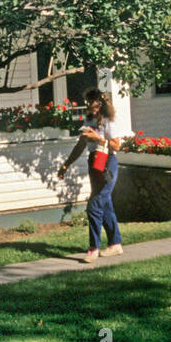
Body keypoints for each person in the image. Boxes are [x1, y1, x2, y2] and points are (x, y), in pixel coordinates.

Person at [57, 88, 123, 263]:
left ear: (100, 103)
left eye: (91, 101)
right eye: (87, 101)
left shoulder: (108, 122)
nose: (88, 104)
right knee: (105, 204)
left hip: (108, 163)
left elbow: (116, 146)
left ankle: (93, 248)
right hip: (94, 163)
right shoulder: (89, 120)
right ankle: (115, 244)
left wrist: (98, 138)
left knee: (94, 206)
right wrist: (66, 165)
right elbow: (80, 145)